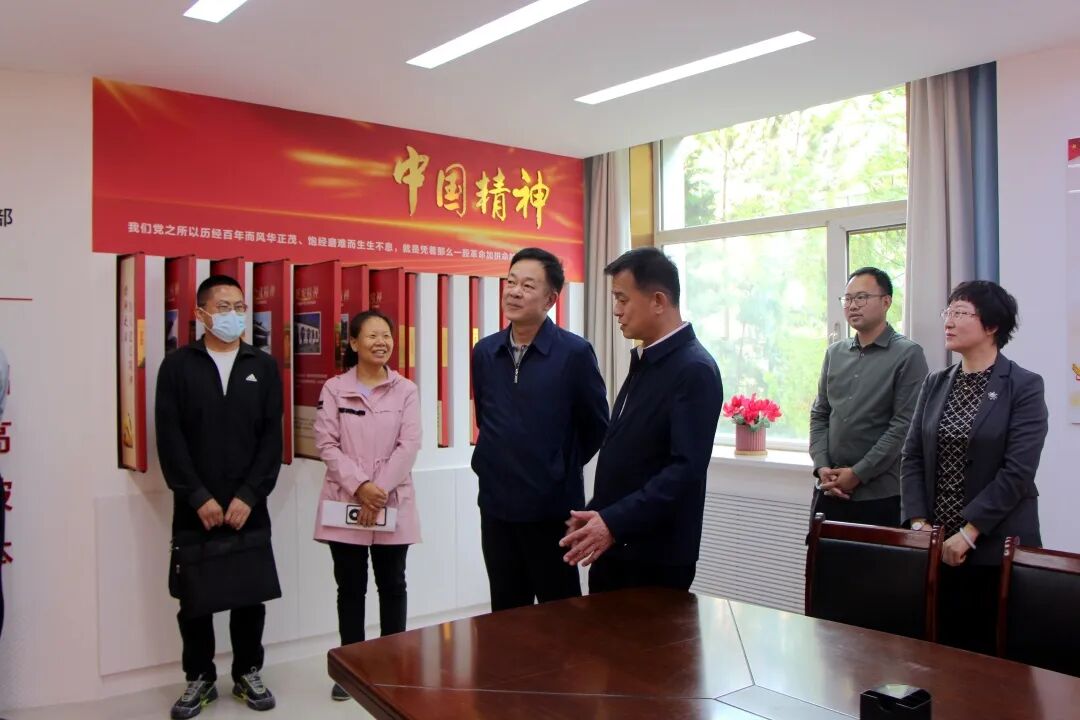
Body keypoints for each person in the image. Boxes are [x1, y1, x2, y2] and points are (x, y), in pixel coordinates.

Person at [561, 247, 723, 592]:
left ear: (658, 301)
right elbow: (633, 456)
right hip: (619, 544)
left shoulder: (694, 369)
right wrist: (597, 514)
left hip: (655, 556)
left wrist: (613, 521)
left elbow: (684, 470)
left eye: (622, 299)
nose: (616, 310)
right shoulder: (648, 359)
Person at [156, 275, 282, 718]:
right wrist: (196, 496)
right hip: (197, 506)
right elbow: (169, 438)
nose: (233, 315)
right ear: (202, 314)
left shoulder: (262, 366)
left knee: (249, 591)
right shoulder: (177, 366)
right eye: (224, 307)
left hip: (249, 504)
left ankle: (248, 671)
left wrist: (250, 494)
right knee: (195, 597)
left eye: (239, 307)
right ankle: (200, 677)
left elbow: (271, 439)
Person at [902, 280, 1048, 654]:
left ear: (992, 326)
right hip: (935, 547)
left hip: (995, 549)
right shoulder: (935, 383)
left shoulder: (1024, 386)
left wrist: (968, 534)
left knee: (994, 661)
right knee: (936, 655)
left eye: (961, 313)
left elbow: (1017, 472)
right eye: (948, 312)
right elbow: (912, 456)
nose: (949, 321)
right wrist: (918, 523)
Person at [471, 248, 609, 611]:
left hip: (552, 510)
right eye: (511, 282)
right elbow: (486, 416)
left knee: (558, 611)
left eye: (528, 285)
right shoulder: (485, 352)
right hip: (497, 506)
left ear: (550, 299)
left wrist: (558, 465)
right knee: (506, 609)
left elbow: (596, 424)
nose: (514, 292)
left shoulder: (574, 353)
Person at [314, 309, 421, 702]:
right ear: (354, 342)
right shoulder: (334, 389)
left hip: (391, 499)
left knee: (393, 586)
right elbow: (326, 443)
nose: (381, 342)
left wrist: (380, 489)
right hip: (347, 499)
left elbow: (409, 444)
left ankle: (393, 666)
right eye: (372, 335)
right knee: (350, 588)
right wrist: (361, 487)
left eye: (386, 335)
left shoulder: (406, 390)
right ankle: (351, 670)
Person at [809, 267, 928, 526]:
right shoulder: (834, 353)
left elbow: (903, 427)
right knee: (822, 554)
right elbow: (820, 413)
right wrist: (822, 466)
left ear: (886, 302)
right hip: (829, 490)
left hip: (880, 495)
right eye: (848, 299)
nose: (853, 305)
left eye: (862, 297)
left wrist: (857, 474)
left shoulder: (908, 354)